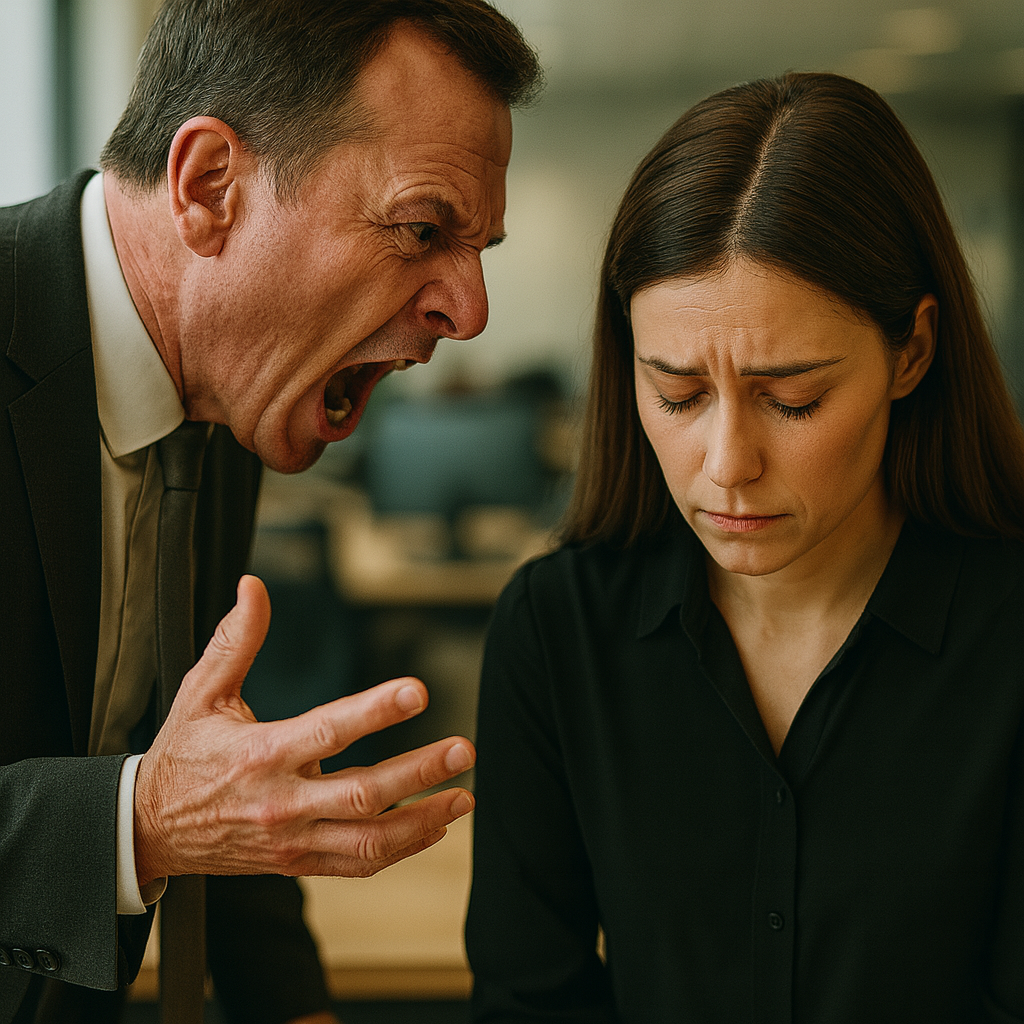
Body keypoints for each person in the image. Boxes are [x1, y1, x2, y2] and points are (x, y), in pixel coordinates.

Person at [0, 1, 541, 1022]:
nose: (469, 314)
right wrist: (141, 822)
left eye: (478, 250)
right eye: (422, 230)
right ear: (210, 186)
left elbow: (212, 789)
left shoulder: (230, 388)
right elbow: (174, 807)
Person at [465, 71, 1024, 1023]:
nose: (726, 464)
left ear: (913, 352)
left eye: (792, 398)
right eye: (677, 394)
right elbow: (529, 1000)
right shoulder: (558, 630)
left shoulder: (1007, 636)